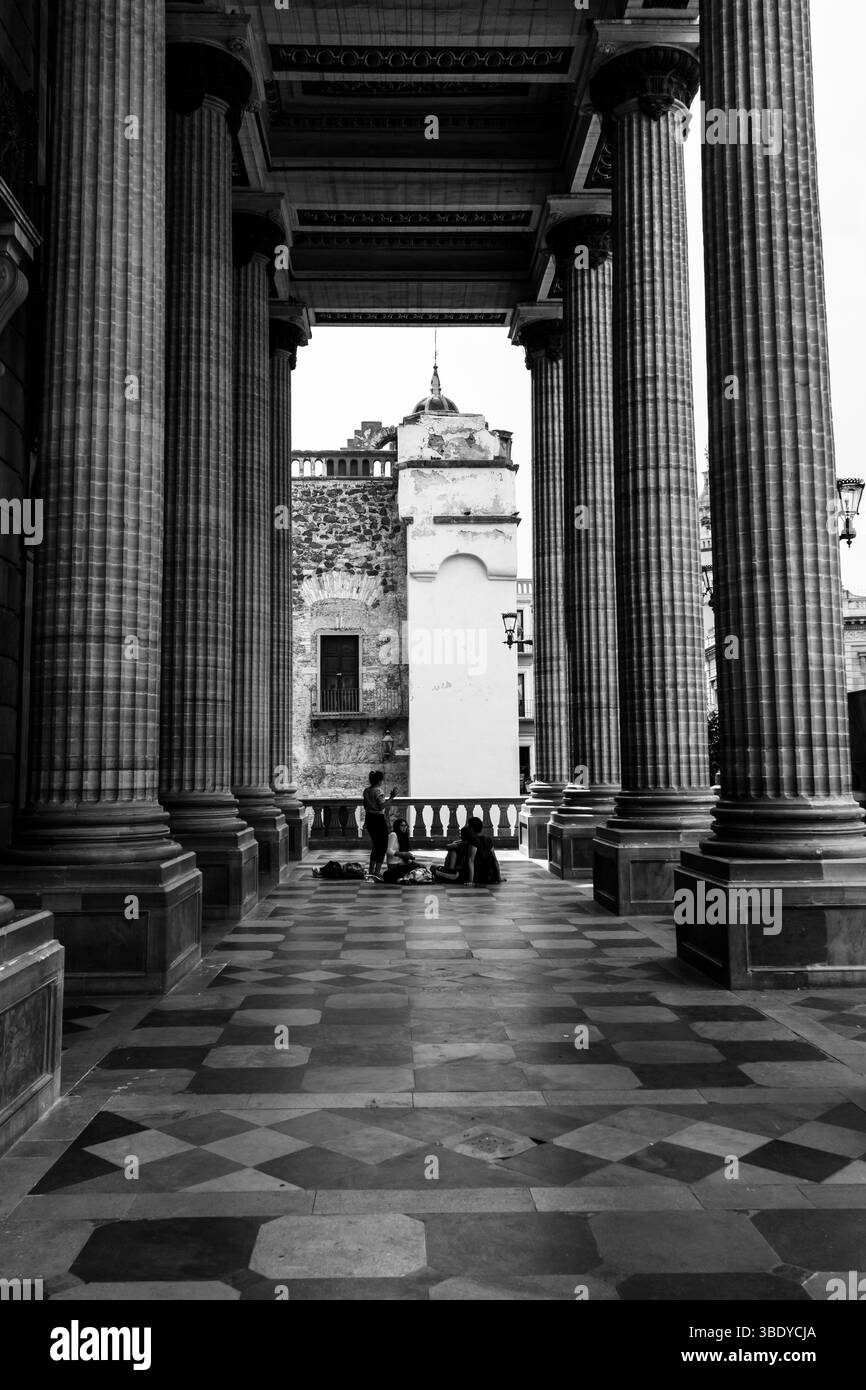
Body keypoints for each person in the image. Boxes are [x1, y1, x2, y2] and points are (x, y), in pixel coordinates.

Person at [362, 770, 395, 876]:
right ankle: (377, 872)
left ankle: (371, 870)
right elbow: (382, 806)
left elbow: (365, 806)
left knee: (375, 845)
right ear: (379, 780)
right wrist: (392, 797)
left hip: (369, 818)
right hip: (377, 818)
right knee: (382, 845)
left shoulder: (366, 791)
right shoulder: (377, 791)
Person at [380, 817, 416, 883]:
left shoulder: (403, 836)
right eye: (402, 825)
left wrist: (409, 857)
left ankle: (401, 879)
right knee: (415, 867)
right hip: (393, 865)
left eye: (406, 826)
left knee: (416, 866)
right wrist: (403, 854)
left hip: (400, 864)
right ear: (397, 826)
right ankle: (401, 879)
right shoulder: (393, 835)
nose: (404, 827)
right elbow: (388, 851)